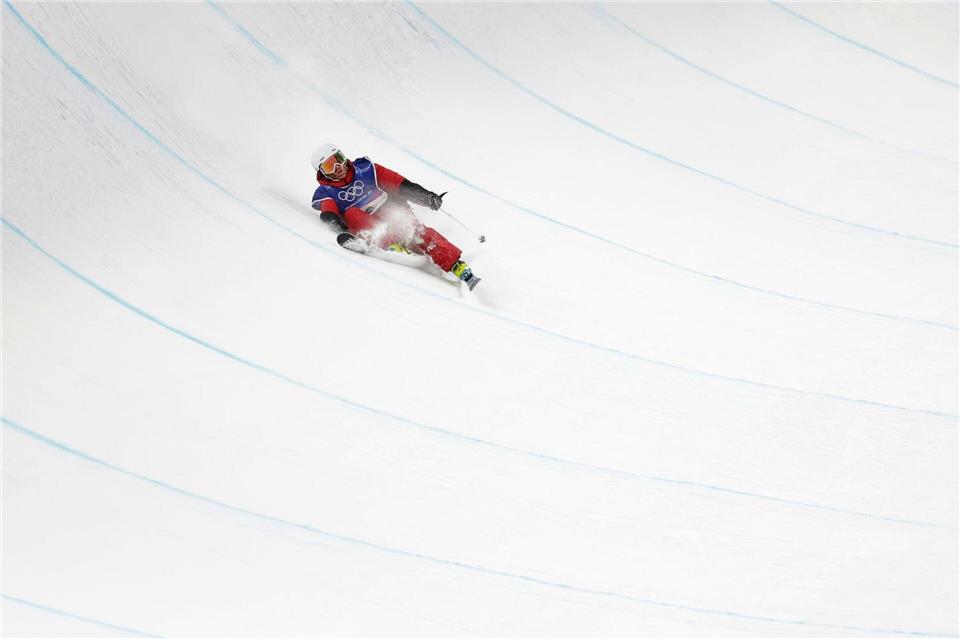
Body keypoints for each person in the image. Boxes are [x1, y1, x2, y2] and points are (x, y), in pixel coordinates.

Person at [310, 143, 480, 289]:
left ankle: (457, 266)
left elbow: (398, 183)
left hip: (391, 212)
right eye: (329, 166)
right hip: (369, 226)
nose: (338, 166)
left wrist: (426, 197)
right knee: (352, 213)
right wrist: (335, 223)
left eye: (338, 158)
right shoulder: (327, 191)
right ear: (322, 172)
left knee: (415, 231)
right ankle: (391, 245)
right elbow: (328, 211)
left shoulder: (367, 169)